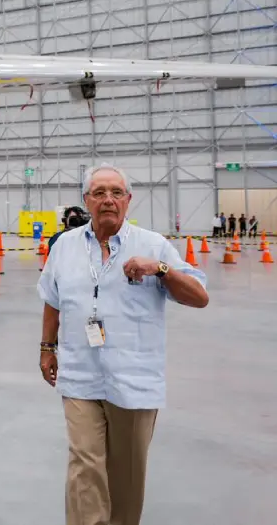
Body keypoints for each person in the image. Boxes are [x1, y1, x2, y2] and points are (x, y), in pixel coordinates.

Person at [38, 163, 209, 525]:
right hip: (80, 376)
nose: (108, 200)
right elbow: (52, 300)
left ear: (128, 200)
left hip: (134, 380)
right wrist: (46, 347)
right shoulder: (65, 246)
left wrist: (160, 269)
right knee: (85, 467)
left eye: (116, 193)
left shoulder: (152, 245)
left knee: (127, 477)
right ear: (86, 200)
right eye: (99, 193)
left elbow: (199, 297)